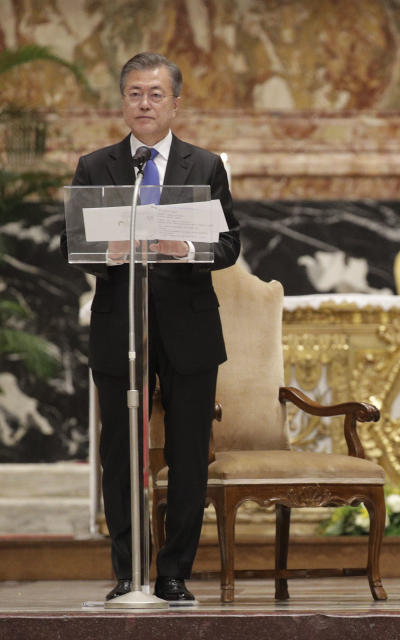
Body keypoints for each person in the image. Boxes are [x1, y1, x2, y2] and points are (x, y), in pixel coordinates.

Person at [61, 52, 240, 603]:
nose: (145, 103)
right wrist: (107, 252)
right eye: (135, 93)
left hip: (188, 327)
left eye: (156, 94)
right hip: (121, 328)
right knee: (121, 453)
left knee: (187, 456)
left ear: (175, 103)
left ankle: (173, 574)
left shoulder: (206, 165)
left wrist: (183, 247)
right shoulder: (96, 167)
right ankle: (128, 572)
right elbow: (75, 247)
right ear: (123, 102)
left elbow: (230, 244)